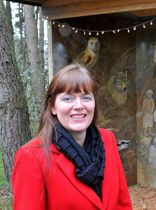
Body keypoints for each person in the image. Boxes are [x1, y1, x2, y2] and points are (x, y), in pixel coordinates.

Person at [12, 64, 132, 210]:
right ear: (52, 107)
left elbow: (122, 204)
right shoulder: (32, 156)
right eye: (68, 99)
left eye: (86, 97)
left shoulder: (108, 140)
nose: (79, 105)